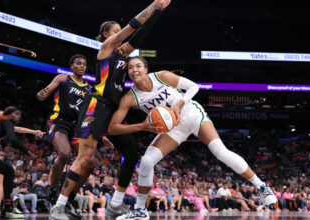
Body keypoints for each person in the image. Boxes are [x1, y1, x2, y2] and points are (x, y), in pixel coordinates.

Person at [108, 57, 278, 220]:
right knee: (146, 161)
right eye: (130, 68)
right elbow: (112, 128)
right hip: (173, 128)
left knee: (221, 152)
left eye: (138, 66)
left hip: (191, 114)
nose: (134, 70)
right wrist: (142, 126)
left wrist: (178, 104)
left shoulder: (162, 76)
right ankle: (140, 209)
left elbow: (193, 87)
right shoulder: (130, 97)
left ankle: (261, 186)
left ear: (146, 69)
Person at [49, 1, 171, 219]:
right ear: (106, 34)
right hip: (96, 106)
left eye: (118, 31)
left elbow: (140, 34)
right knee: (85, 158)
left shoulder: (123, 55)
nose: (119, 33)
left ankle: (115, 205)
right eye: (115, 31)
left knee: (132, 153)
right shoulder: (106, 50)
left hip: (112, 110)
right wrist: (153, 5)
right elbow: (133, 27)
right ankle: (58, 206)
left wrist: (159, 13)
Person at [37, 54, 93, 218]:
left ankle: (69, 199)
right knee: (65, 154)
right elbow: (48, 89)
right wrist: (43, 93)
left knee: (90, 162)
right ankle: (53, 192)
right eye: (78, 63)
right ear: (72, 66)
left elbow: (88, 112)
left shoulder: (89, 88)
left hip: (77, 126)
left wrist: (100, 134)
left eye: (84, 64)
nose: (82, 66)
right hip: (59, 122)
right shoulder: (63, 78)